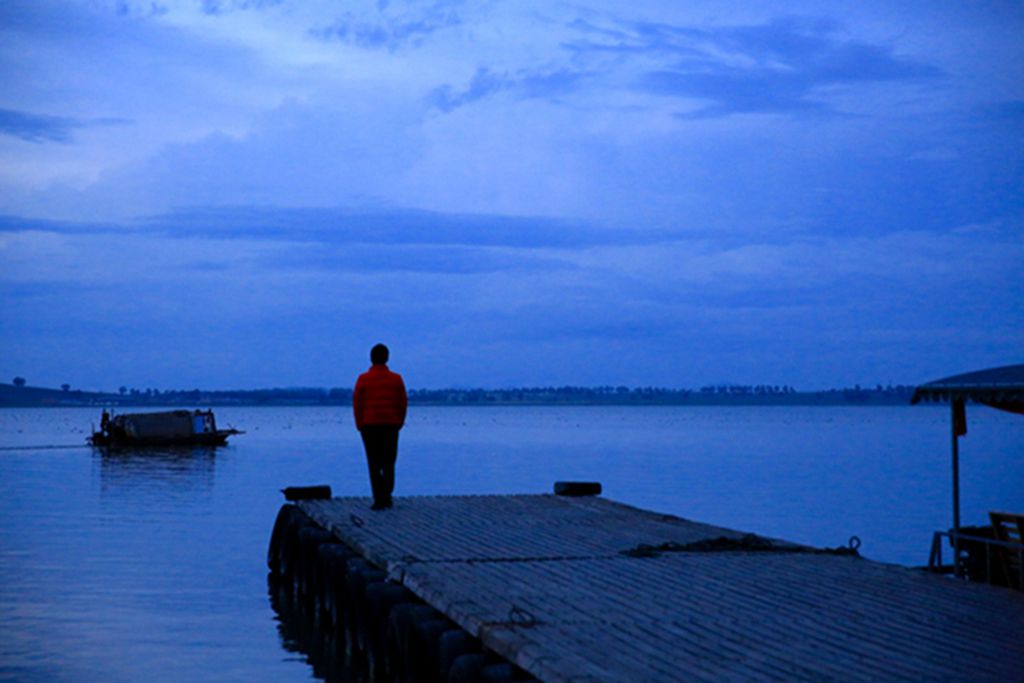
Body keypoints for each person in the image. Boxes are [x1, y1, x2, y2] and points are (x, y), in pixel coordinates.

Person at [353, 343, 408, 510]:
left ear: (371, 359)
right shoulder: (396, 379)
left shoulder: (363, 379)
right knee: (389, 461)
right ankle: (387, 494)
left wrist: (359, 424)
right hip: (390, 425)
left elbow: (357, 404)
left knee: (374, 463)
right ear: (387, 358)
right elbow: (403, 403)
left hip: (369, 425)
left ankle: (379, 498)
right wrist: (399, 422)